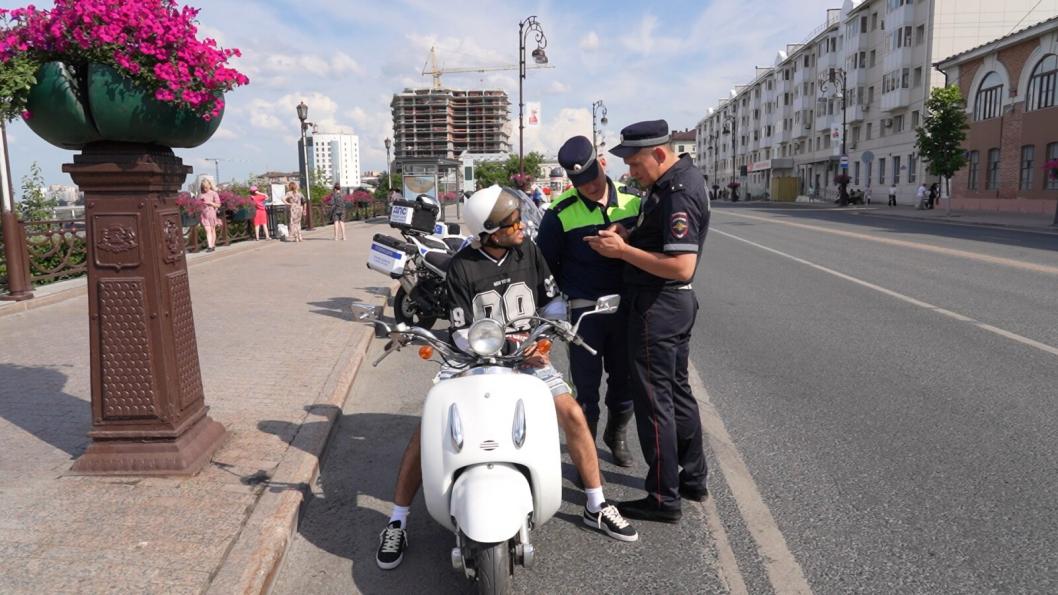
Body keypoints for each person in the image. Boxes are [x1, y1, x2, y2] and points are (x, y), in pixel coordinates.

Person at [376, 185, 638, 571]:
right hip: (469, 357)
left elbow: (550, 299)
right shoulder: (463, 265)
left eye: (518, 219)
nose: (521, 227)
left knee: (572, 413)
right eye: (512, 223)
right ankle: (397, 520)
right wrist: (489, 346)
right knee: (428, 429)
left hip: (528, 354)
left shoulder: (527, 251)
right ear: (489, 232)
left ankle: (596, 503)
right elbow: (462, 330)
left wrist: (546, 333)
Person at [585, 120, 709, 523]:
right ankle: (693, 478)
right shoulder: (669, 182)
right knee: (677, 393)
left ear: (659, 154)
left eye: (636, 164)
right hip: (671, 307)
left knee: (655, 404)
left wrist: (621, 251)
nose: (631, 173)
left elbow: (680, 266)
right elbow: (655, 234)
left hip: (658, 306)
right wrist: (630, 231)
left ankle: (662, 497)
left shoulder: (678, 192)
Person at [537, 135, 640, 468]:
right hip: (585, 313)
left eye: (593, 179)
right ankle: (587, 454)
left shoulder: (634, 202)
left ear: (603, 165)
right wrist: (548, 312)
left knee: (625, 380)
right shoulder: (559, 213)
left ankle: (616, 435)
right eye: (580, 184)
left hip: (628, 308)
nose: (590, 188)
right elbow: (544, 267)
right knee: (586, 386)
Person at [199, 178, 220, 252]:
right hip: (204, 214)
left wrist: (210, 203)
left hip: (211, 213)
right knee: (207, 230)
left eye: (206, 187)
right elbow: (198, 204)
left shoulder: (214, 193)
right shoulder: (201, 194)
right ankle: (210, 246)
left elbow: (218, 205)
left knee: (212, 230)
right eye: (203, 187)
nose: (205, 189)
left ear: (210, 186)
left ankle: (213, 245)